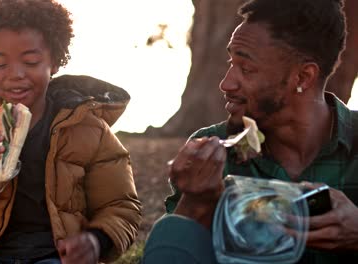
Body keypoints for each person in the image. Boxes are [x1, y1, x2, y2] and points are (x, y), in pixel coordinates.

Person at [0, 1, 142, 263]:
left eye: (30, 61)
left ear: (55, 62)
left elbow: (121, 206)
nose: (15, 74)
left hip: (55, 255)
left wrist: (96, 239)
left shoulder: (90, 130)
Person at [144, 0, 358, 263]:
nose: (226, 83)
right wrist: (196, 202)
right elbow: (173, 253)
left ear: (302, 78)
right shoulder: (215, 153)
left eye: (246, 69)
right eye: (230, 62)